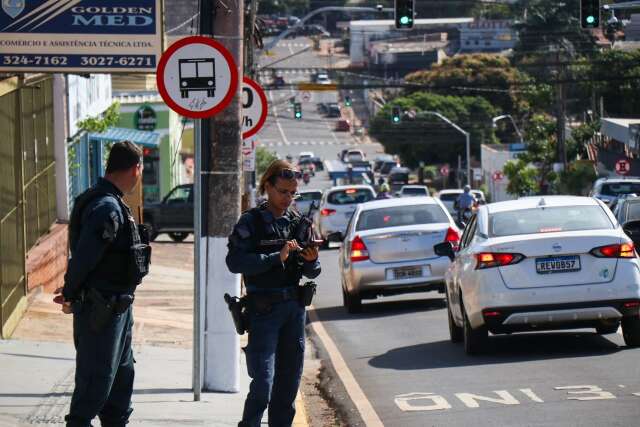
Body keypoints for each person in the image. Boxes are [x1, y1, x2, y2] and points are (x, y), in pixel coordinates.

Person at [55, 141, 151, 427]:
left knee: (119, 392)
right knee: (93, 389)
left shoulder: (111, 202)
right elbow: (84, 257)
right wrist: (71, 292)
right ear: (136, 169)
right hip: (101, 312)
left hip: (119, 310)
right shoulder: (106, 207)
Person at [226, 160, 321, 427]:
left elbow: (313, 271)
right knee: (263, 385)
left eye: (293, 193)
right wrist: (274, 257)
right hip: (264, 312)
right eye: (283, 192)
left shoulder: (298, 224)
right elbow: (235, 262)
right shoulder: (251, 222)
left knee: (288, 386)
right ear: (267, 186)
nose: (288, 198)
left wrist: (311, 260)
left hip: (293, 310)